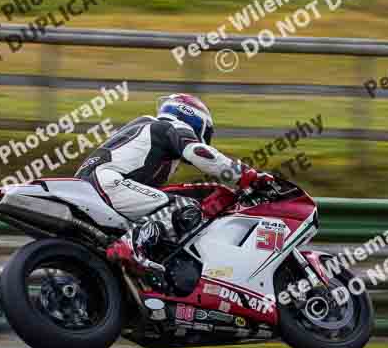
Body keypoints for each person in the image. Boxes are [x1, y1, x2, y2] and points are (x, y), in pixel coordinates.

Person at [75, 93, 273, 274]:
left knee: (165, 208)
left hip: (88, 183)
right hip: (108, 182)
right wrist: (246, 175)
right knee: (186, 208)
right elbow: (199, 153)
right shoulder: (174, 125)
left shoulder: (145, 128)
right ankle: (132, 246)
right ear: (196, 120)